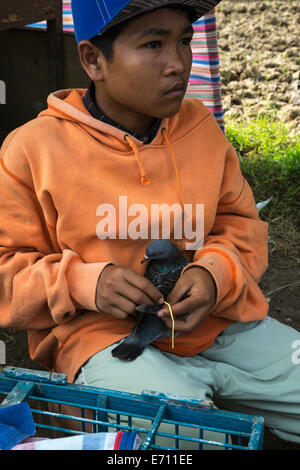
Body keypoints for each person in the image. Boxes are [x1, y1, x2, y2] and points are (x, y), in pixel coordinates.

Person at [0, 0, 299, 445]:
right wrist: (84, 283)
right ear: (93, 60)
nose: (177, 63)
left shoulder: (202, 129)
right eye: (154, 43)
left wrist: (213, 273)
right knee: (184, 437)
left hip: (220, 324)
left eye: (184, 41)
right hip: (100, 339)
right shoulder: (31, 151)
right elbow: (6, 272)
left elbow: (241, 226)